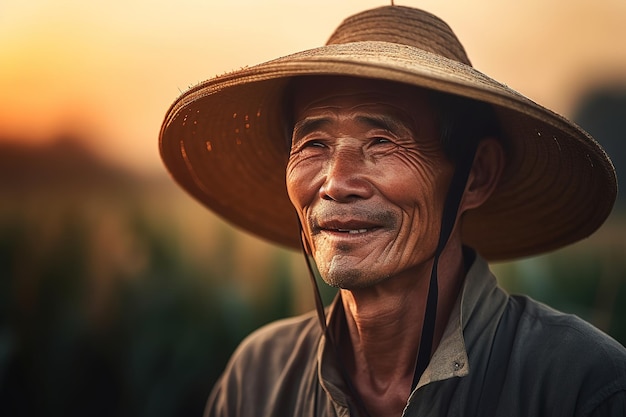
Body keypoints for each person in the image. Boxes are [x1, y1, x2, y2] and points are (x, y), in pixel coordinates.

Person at [159, 5, 626, 417]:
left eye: (382, 142)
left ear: (476, 175)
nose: (336, 183)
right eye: (313, 144)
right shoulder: (259, 378)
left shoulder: (581, 385)